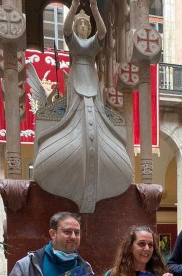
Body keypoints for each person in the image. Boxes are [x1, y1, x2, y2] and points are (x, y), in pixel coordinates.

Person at [33, 0, 132, 213]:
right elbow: (66, 29)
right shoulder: (73, 41)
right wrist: (75, 6)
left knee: (94, 107)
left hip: (91, 79)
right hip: (77, 76)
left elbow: (103, 33)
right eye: (82, 25)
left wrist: (95, 10)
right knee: (76, 106)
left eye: (86, 26)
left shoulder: (94, 43)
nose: (84, 28)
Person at [9, 211, 94, 275]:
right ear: (53, 234)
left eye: (77, 232)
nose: (73, 237)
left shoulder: (86, 269)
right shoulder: (28, 265)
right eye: (67, 232)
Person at [105, 226, 173, 276]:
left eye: (151, 245)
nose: (147, 248)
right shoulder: (112, 274)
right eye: (141, 244)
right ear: (130, 247)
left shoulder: (160, 273)